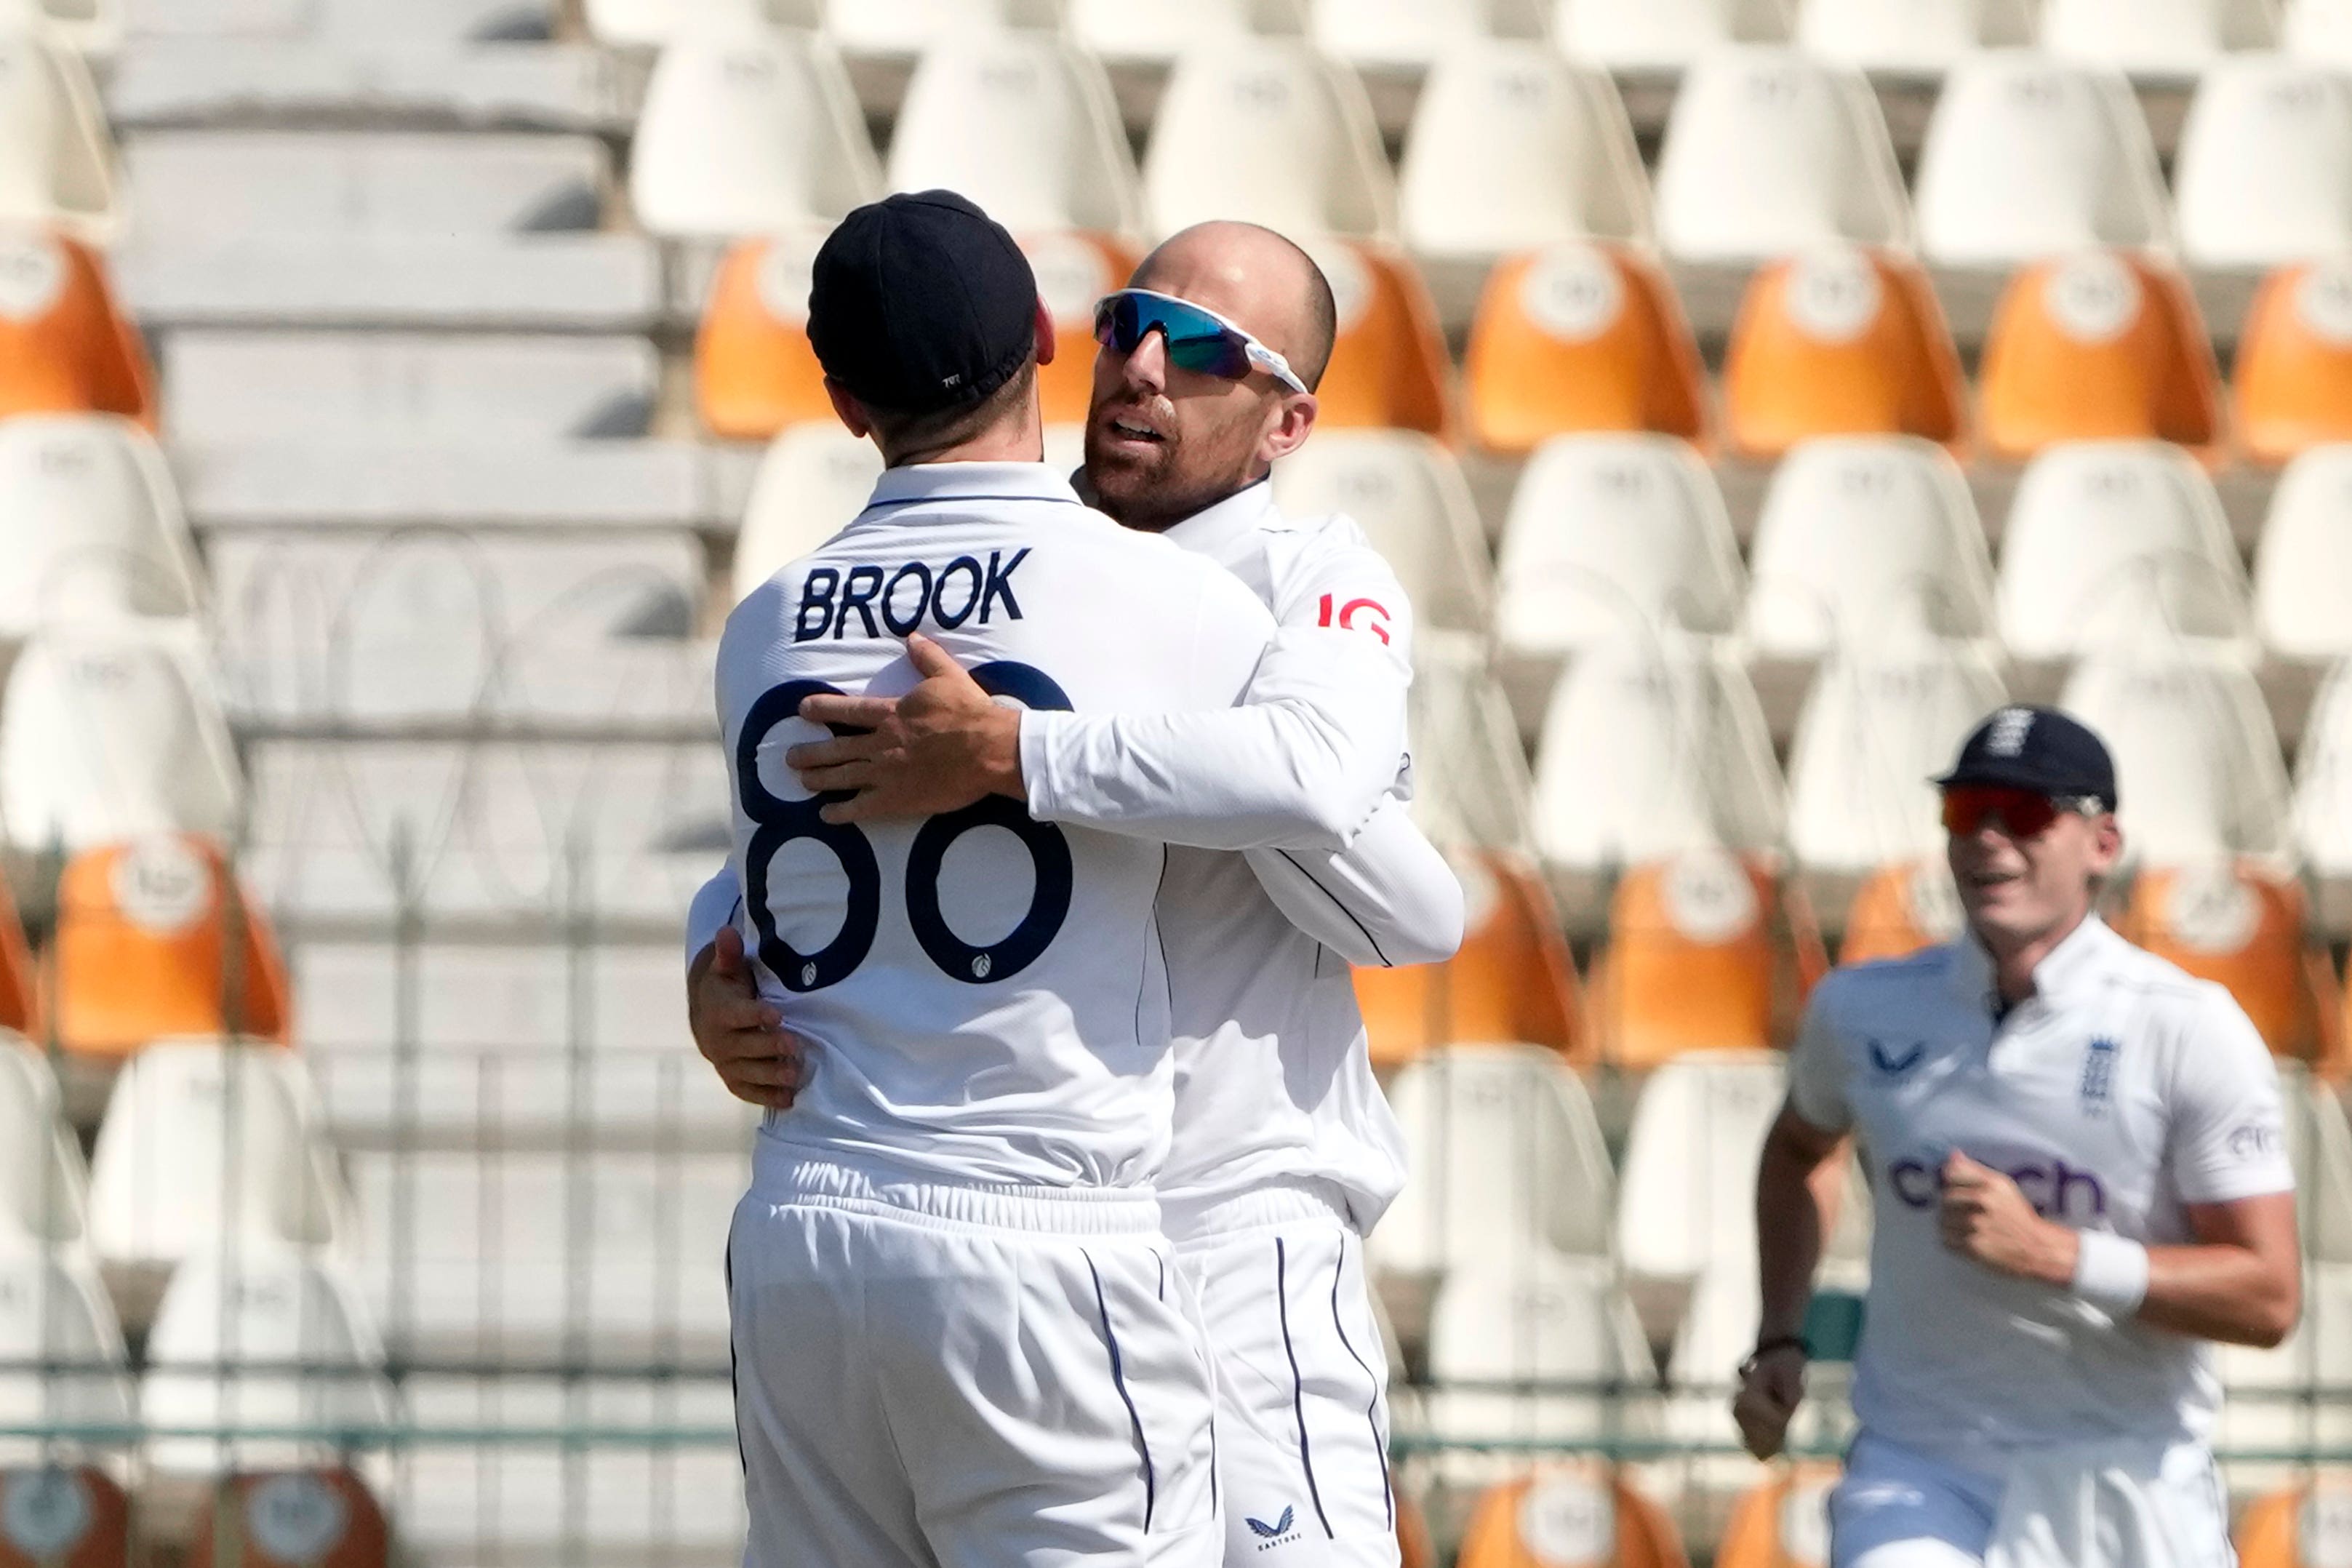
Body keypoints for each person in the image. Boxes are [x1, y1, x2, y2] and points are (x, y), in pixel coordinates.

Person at [693, 220, 1463, 1567]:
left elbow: (1413, 912)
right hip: (1043, 1215)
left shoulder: (1304, 582)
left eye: (1206, 350)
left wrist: (1028, 757)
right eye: (1125, 323)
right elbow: (787, 835)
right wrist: (714, 970)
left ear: (1286, 423)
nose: (1146, 367)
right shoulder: (1047, 580)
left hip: (1233, 1219)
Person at [1733, 705, 2301, 1567]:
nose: (1989, 839)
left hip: (2128, 1478)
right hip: (1921, 1467)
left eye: (2026, 813)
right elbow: (1797, 1149)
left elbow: (2268, 1296)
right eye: (1967, 812)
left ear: (2102, 842)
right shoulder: (1862, 1007)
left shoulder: (2188, 1026)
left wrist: (2057, 1254)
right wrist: (1781, 1331)